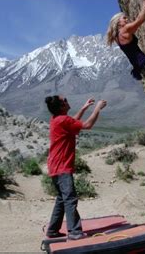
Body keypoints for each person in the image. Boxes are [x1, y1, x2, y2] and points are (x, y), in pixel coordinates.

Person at [44, 95, 107, 240]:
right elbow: (87, 125)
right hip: (62, 167)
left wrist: (84, 108)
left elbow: (72, 121)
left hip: (54, 166)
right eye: (65, 100)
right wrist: (97, 109)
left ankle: (53, 230)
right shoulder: (63, 120)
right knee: (70, 199)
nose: (67, 100)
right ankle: (74, 232)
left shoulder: (57, 119)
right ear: (61, 106)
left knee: (62, 198)